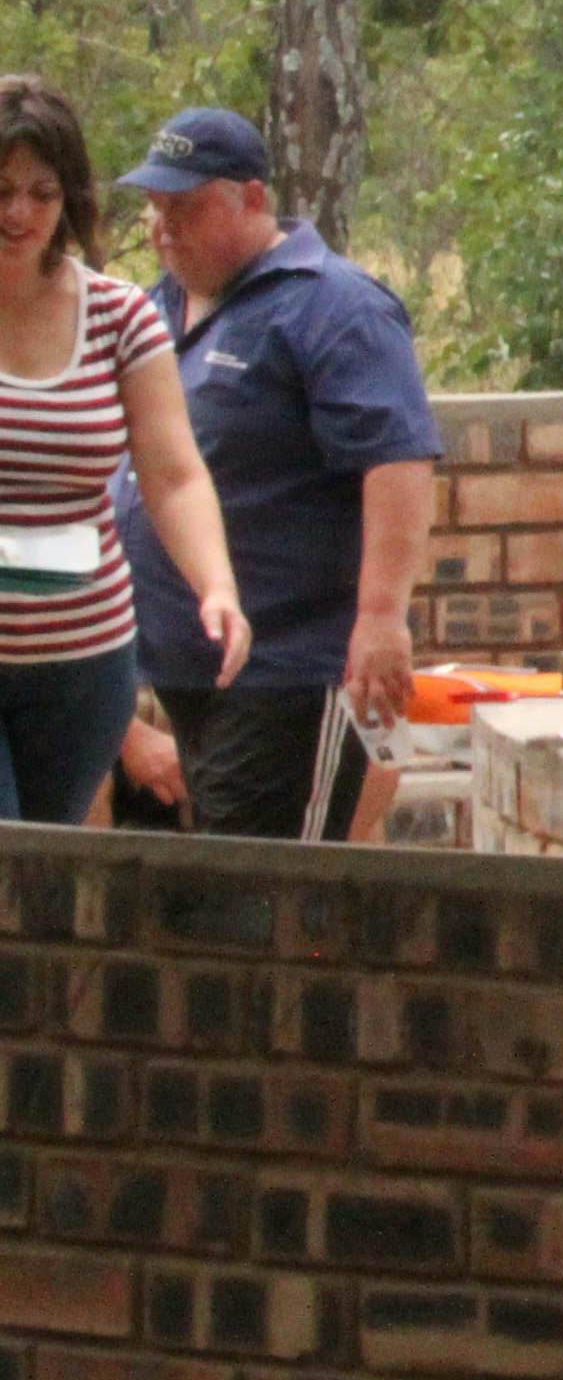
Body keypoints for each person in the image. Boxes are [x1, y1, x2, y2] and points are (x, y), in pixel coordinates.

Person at [106, 107, 436, 838]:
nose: (164, 229)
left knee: (262, 887)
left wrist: (382, 617)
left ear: (252, 199)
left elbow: (396, 460)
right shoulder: (155, 306)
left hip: (288, 673)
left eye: (185, 210)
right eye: (155, 209)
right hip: (182, 672)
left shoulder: (334, 305)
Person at [0, 84, 247, 823]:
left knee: (45, 867)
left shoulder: (119, 316)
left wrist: (216, 584)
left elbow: (173, 476)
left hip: (82, 669)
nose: (18, 213)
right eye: (1, 190)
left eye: (42, 194)